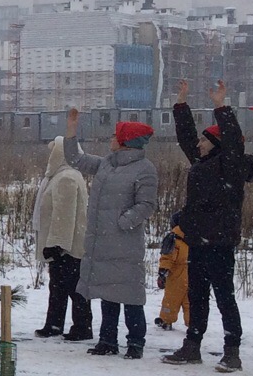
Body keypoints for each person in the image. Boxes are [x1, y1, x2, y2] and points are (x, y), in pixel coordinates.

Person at [160, 81, 253, 372]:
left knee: (224, 297)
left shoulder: (231, 164)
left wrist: (221, 106)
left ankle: (232, 351)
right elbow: (186, 137)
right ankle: (192, 345)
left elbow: (230, 137)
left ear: (217, 146)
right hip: (198, 242)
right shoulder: (202, 163)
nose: (199, 145)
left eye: (205, 141)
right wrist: (180, 104)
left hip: (220, 243)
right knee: (198, 295)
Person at [63, 110, 159, 358]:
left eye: (116, 135)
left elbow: (146, 204)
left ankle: (135, 343)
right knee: (107, 292)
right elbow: (76, 159)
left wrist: (123, 222)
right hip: (103, 243)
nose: (111, 139)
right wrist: (71, 130)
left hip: (125, 244)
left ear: (126, 141)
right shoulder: (107, 163)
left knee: (131, 296)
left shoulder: (145, 169)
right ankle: (107, 341)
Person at [31, 136, 92, 340]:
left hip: (69, 246)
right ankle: (56, 324)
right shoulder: (65, 175)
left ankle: (81, 326)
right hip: (68, 244)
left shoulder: (66, 178)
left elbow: (64, 215)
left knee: (72, 287)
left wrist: (57, 244)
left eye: (53, 151)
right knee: (60, 286)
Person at [154, 213, 191, 333]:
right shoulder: (194, 238)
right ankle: (193, 323)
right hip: (192, 274)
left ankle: (166, 320)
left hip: (176, 275)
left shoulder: (173, 239)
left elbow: (167, 257)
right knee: (190, 301)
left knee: (171, 299)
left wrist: (162, 272)